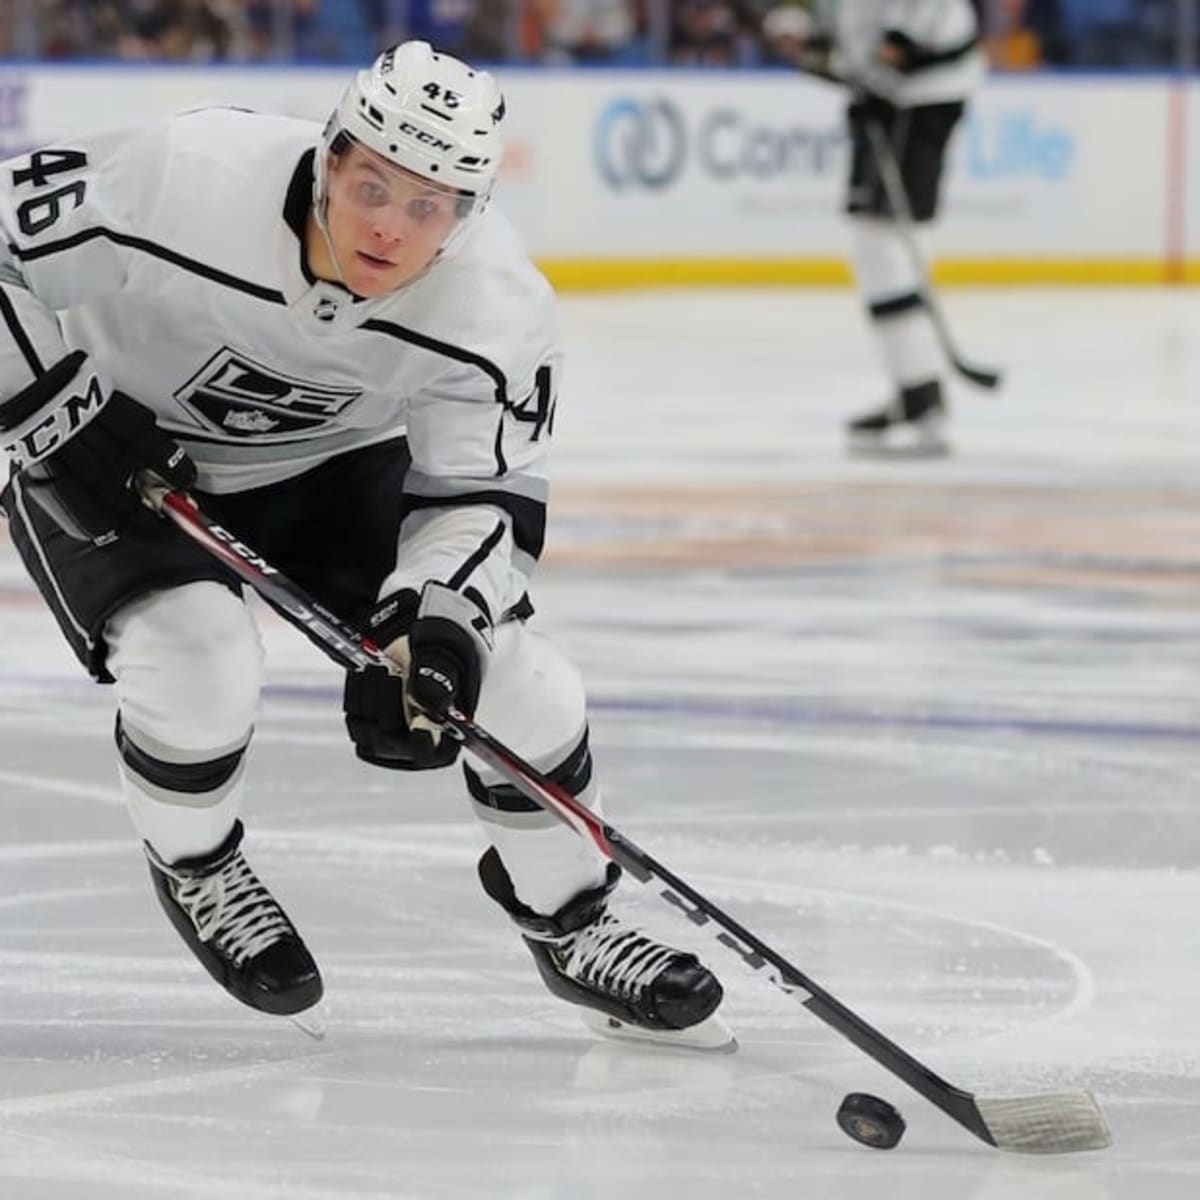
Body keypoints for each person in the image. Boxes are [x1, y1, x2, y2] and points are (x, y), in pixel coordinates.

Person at [0, 42, 731, 1051]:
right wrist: (49, 411)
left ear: (467, 215)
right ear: (329, 157)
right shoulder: (190, 175)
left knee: (513, 677)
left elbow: (483, 493)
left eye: (429, 206)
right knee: (196, 652)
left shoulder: (496, 309)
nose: (389, 225)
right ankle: (199, 864)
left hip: (327, 467)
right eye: (372, 184)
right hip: (103, 448)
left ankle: (575, 918)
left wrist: (432, 627)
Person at [764, 1, 985, 457]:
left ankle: (921, 392)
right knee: (880, 243)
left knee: (883, 243)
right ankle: (915, 387)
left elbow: (921, 24)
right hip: (901, 96)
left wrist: (887, 58)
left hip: (917, 99)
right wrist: (817, 44)